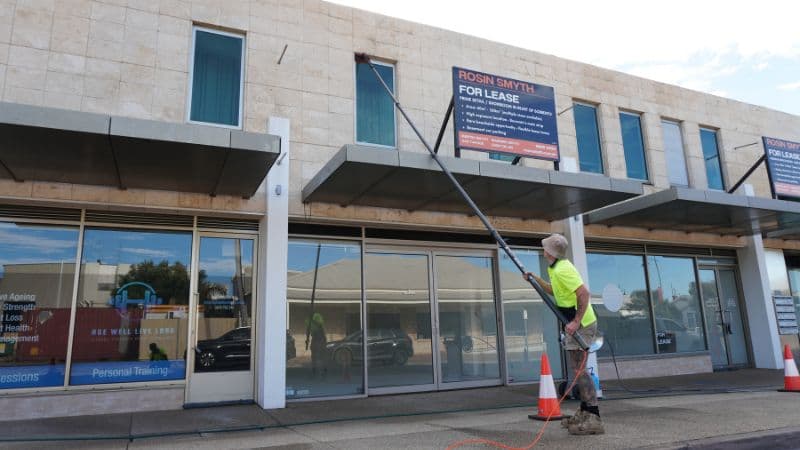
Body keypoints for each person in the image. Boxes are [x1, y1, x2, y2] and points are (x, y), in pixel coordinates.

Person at [523, 233, 604, 435]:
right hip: (576, 323)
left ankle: (594, 417)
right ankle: (585, 412)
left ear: (550, 252)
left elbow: (584, 293)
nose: (543, 250)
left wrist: (576, 321)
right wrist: (535, 279)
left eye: (545, 248)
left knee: (579, 370)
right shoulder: (555, 268)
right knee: (578, 370)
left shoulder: (563, 269)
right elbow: (555, 291)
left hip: (582, 324)